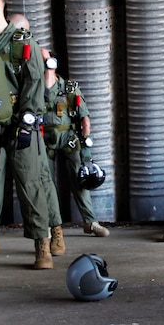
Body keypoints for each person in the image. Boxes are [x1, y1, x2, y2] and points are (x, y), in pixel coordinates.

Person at [0, 0, 64, 269]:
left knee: (31, 183)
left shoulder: (24, 43)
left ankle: (42, 245)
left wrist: (27, 122)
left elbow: (35, 83)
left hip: (18, 124)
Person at [41, 48, 110, 237]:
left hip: (69, 138)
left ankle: (90, 221)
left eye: (46, 59)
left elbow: (84, 116)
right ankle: (49, 225)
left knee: (81, 179)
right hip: (44, 139)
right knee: (45, 181)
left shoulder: (68, 87)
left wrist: (86, 141)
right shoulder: (34, 87)